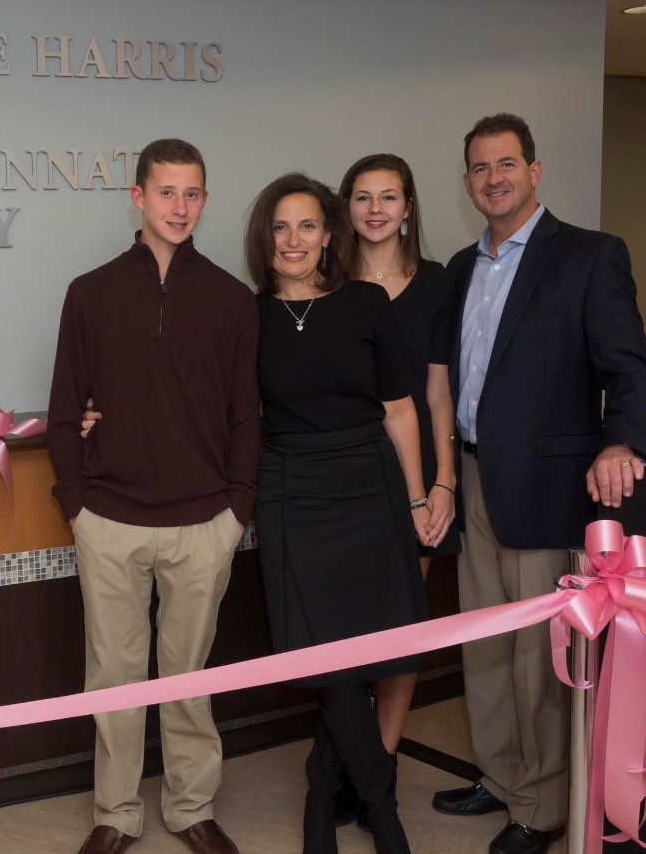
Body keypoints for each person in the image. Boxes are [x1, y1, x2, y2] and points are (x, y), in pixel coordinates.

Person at [430, 114, 646, 854]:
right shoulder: (462, 269)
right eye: (479, 167)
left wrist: (623, 438)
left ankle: (545, 804)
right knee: (487, 648)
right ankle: (500, 780)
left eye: (506, 163)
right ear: (466, 182)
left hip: (546, 484)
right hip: (472, 475)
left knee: (540, 659)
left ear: (535, 170)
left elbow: (630, 368)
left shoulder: (590, 257)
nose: (492, 177)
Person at [47, 138, 259, 854]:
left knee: (188, 675)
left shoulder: (232, 300)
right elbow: (62, 408)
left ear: (205, 199)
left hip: (205, 523)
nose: (179, 207)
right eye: (166, 192)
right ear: (137, 196)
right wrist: (76, 503)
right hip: (108, 519)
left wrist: (237, 510)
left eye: (192, 193)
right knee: (113, 676)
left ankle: (192, 805)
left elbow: (245, 416)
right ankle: (116, 811)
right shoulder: (90, 292)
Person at [248, 172, 428, 854]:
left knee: (371, 645)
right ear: (265, 240)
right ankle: (380, 806)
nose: (294, 240)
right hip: (291, 486)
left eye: (308, 226)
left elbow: (401, 407)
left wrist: (416, 499)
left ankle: (323, 790)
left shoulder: (366, 301)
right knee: (327, 653)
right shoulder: (250, 315)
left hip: (368, 483)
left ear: (330, 235)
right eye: (281, 227)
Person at [336, 154, 459, 822]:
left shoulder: (436, 282)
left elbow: (438, 391)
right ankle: (348, 761)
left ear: (408, 207)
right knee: (349, 630)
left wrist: (443, 481)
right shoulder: (323, 281)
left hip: (418, 482)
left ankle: (379, 763)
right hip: (345, 479)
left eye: (389, 196)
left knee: (401, 628)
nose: (376, 208)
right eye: (362, 196)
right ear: (346, 208)